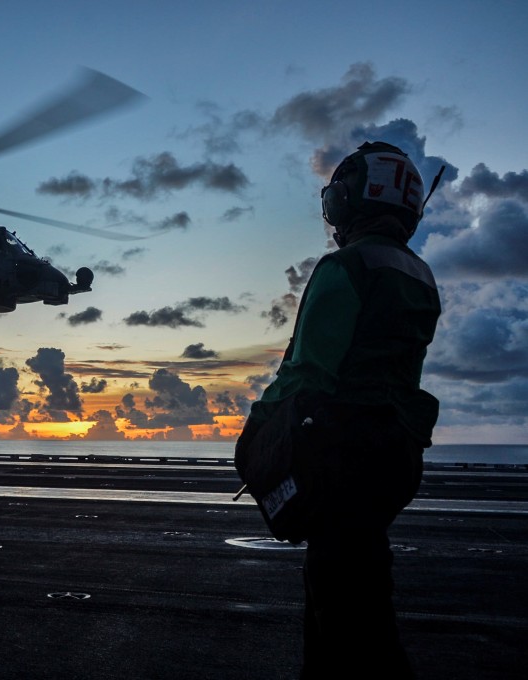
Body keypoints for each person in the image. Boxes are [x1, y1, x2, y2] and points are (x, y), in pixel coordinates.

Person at [242, 141, 442, 678]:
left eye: (337, 199)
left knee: (345, 618)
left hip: (343, 458)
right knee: (364, 589)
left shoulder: (346, 267)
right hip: (397, 454)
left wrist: (257, 431)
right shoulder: (420, 275)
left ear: (357, 199)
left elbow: (307, 373)